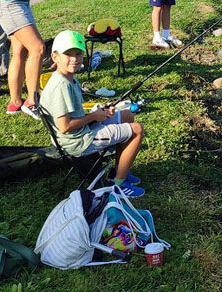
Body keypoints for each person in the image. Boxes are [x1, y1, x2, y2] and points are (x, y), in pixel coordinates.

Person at [41, 30, 146, 197]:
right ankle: (118, 186)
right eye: (68, 54)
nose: (74, 59)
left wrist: (99, 112)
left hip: (82, 130)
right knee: (137, 130)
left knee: (127, 116)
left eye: (78, 53)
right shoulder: (61, 86)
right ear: (55, 57)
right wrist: (94, 117)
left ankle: (119, 170)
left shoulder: (69, 78)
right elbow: (65, 127)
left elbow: (75, 114)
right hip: (77, 141)